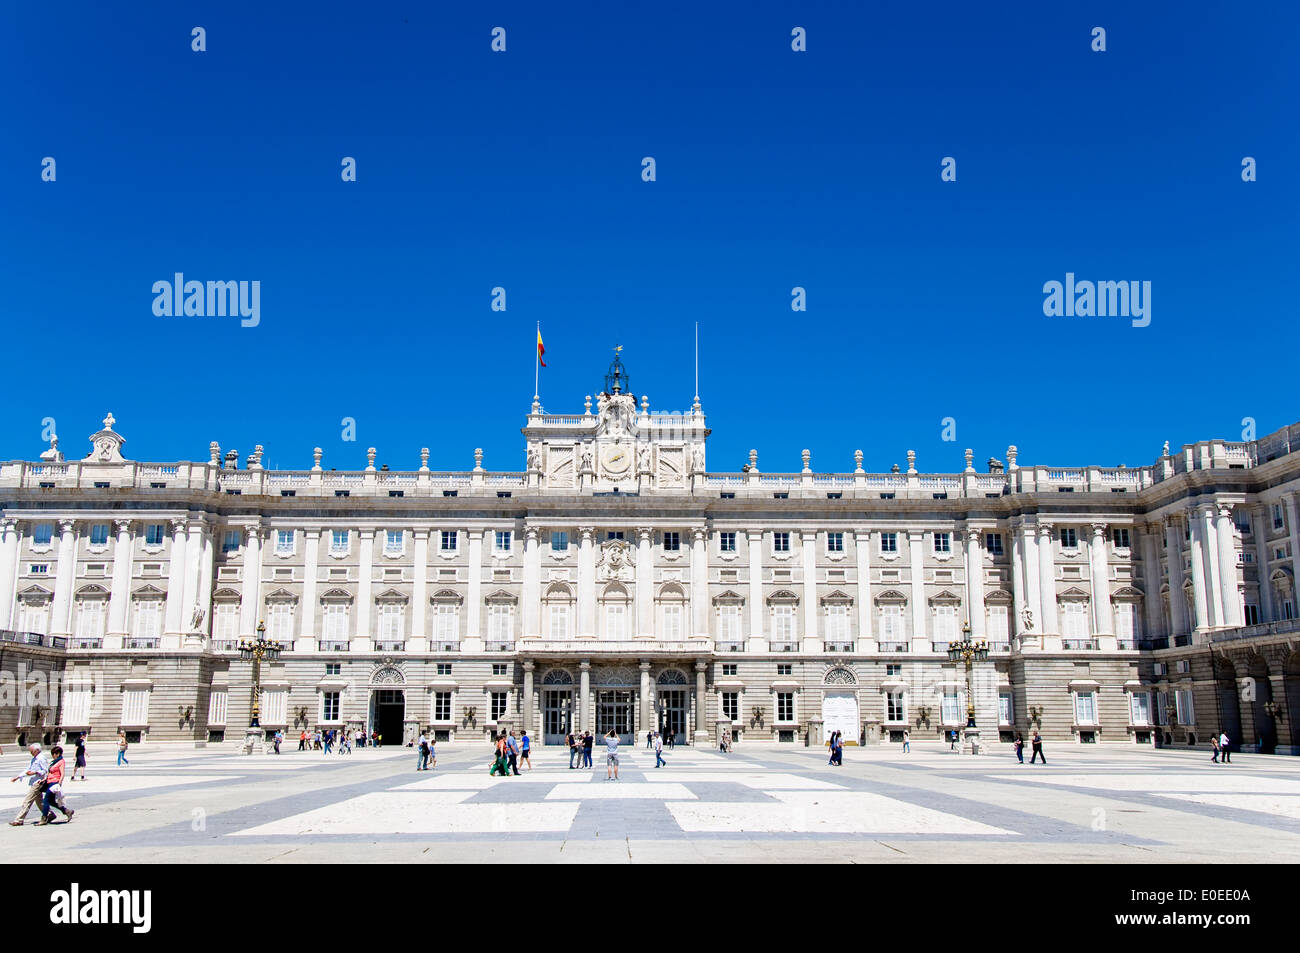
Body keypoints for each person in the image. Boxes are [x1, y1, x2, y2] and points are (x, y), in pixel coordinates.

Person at [9, 744, 50, 826]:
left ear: (37, 750)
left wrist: (35, 772)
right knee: (39, 802)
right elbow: (28, 769)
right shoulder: (35, 759)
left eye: (32, 751)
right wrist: (18, 777)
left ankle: (19, 820)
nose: (31, 753)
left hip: (38, 783)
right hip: (35, 782)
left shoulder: (41, 758)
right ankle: (50, 814)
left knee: (27, 801)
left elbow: (46, 771)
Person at [39, 746, 73, 825]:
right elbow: (50, 773)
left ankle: (44, 818)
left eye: (54, 754)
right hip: (49, 782)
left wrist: (59, 783)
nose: (52, 755)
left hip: (54, 783)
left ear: (58, 754)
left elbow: (62, 773)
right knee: (51, 801)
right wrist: (44, 780)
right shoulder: (53, 762)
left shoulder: (61, 761)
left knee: (45, 801)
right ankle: (67, 811)